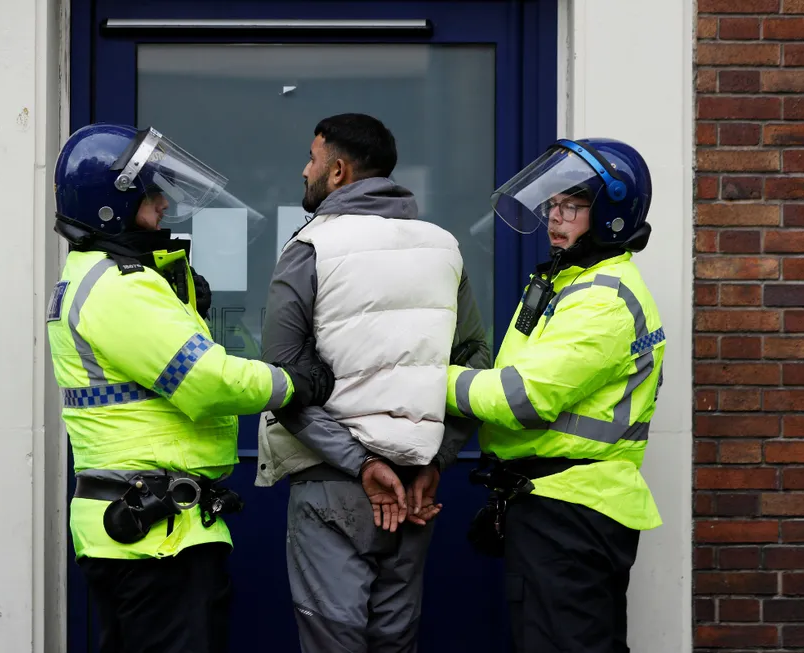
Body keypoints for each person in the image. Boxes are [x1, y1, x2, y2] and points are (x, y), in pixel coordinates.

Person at [46, 122, 335, 653]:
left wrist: (184, 306)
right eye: (149, 191)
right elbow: (206, 382)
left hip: (140, 527)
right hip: (158, 536)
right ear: (114, 203)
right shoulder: (120, 288)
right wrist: (295, 382)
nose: (161, 202)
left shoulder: (99, 276)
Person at [256, 113, 490, 652]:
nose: (304, 169)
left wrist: (362, 464)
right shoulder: (442, 247)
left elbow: (282, 380)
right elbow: (473, 360)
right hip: (412, 487)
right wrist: (437, 458)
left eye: (312, 159)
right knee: (395, 640)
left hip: (333, 483)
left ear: (337, 171)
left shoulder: (311, 246)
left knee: (333, 640)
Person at [446, 138, 664, 653]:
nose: (555, 217)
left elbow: (520, 398)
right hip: (556, 503)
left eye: (573, 205)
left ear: (610, 214)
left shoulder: (602, 300)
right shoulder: (568, 283)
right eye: (553, 203)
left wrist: (425, 379)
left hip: (570, 510)